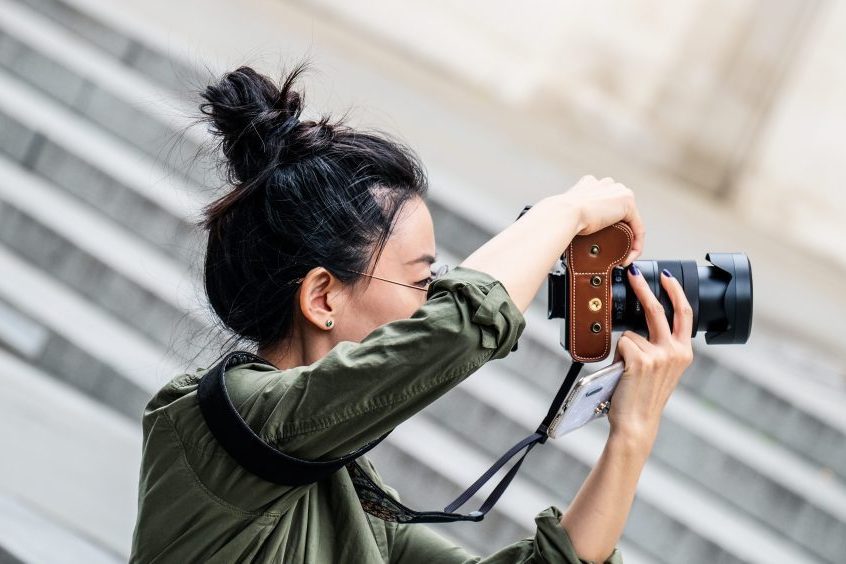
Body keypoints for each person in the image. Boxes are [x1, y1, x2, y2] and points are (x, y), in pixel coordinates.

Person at [129, 61, 694, 564]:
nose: (436, 297)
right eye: (424, 280)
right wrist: (565, 213)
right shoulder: (222, 423)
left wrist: (632, 434)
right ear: (323, 297)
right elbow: (457, 330)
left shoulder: (350, 494)